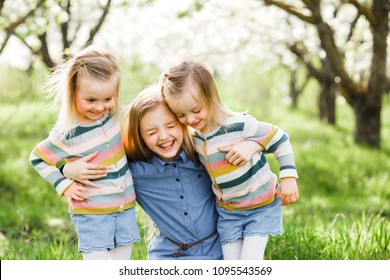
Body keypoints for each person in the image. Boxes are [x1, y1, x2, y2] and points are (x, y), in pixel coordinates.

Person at [62, 86, 223, 259]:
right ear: (140, 136)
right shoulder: (135, 172)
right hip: (171, 255)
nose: (163, 136)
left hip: (219, 249)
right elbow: (96, 170)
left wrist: (253, 144)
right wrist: (65, 169)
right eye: (152, 132)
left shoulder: (203, 156)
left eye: (170, 126)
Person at [160, 60, 299, 260]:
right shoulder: (195, 137)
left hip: (260, 207)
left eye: (196, 110)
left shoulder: (239, 125)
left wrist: (288, 178)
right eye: (181, 115)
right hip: (228, 213)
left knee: (249, 261)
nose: (190, 120)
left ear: (211, 97)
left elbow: (280, 138)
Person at [29, 46, 140, 260]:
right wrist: (65, 183)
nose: (100, 107)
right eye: (91, 100)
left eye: (107, 99)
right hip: (92, 213)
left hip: (124, 209)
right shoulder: (68, 132)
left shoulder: (115, 118)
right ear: (73, 94)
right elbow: (37, 158)